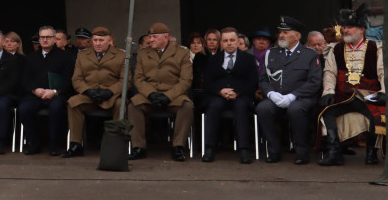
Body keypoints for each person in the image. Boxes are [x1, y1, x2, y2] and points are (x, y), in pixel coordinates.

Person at [318, 5, 386, 166]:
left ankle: (371, 153)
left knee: (376, 115)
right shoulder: (336, 49)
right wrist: (328, 92)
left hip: (368, 94)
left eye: (350, 27)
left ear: (362, 29)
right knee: (326, 111)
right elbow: (330, 73)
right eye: (345, 27)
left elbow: (383, 72)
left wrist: (384, 91)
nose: (346, 30)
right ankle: (335, 153)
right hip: (344, 95)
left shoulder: (376, 48)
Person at [256, 15, 322, 164]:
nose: (281, 35)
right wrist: (271, 94)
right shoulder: (271, 53)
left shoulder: (309, 54)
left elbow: (314, 82)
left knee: (295, 109)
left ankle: (302, 152)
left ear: (297, 35)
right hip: (277, 97)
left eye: (285, 32)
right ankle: (274, 151)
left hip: (302, 99)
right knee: (263, 108)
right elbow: (264, 79)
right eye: (280, 32)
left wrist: (293, 96)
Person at [127, 22, 193, 161]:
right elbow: (138, 79)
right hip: (150, 94)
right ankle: (138, 147)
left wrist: (168, 96)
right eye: (150, 37)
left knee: (186, 106)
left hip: (173, 95)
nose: (151, 40)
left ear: (166, 37)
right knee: (133, 106)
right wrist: (151, 94)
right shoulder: (143, 54)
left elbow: (185, 80)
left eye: (155, 37)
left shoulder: (181, 52)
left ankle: (178, 147)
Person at [62, 27, 126, 158]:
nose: (97, 43)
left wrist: (110, 92)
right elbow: (77, 79)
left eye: (101, 40)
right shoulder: (82, 55)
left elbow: (125, 80)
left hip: (111, 96)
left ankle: (117, 145)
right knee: (73, 102)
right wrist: (87, 91)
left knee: (121, 105)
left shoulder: (121, 55)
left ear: (109, 41)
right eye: (95, 40)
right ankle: (76, 144)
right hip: (89, 95)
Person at [201, 27, 258, 164]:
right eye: (225, 41)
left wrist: (237, 91)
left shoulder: (249, 59)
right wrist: (220, 91)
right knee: (214, 106)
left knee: (241, 106)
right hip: (218, 95)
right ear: (221, 43)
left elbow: (253, 82)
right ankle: (209, 148)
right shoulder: (214, 60)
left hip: (241, 95)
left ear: (238, 41)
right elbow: (207, 83)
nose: (229, 43)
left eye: (232, 40)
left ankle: (244, 150)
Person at [17, 26, 72, 156]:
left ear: (54, 39)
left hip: (57, 94)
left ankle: (54, 145)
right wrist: (34, 90)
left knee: (56, 108)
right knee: (24, 108)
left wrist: (55, 91)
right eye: (42, 37)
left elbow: (69, 79)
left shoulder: (65, 57)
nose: (45, 40)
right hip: (36, 95)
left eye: (48, 37)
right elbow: (24, 79)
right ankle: (34, 144)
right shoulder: (31, 58)